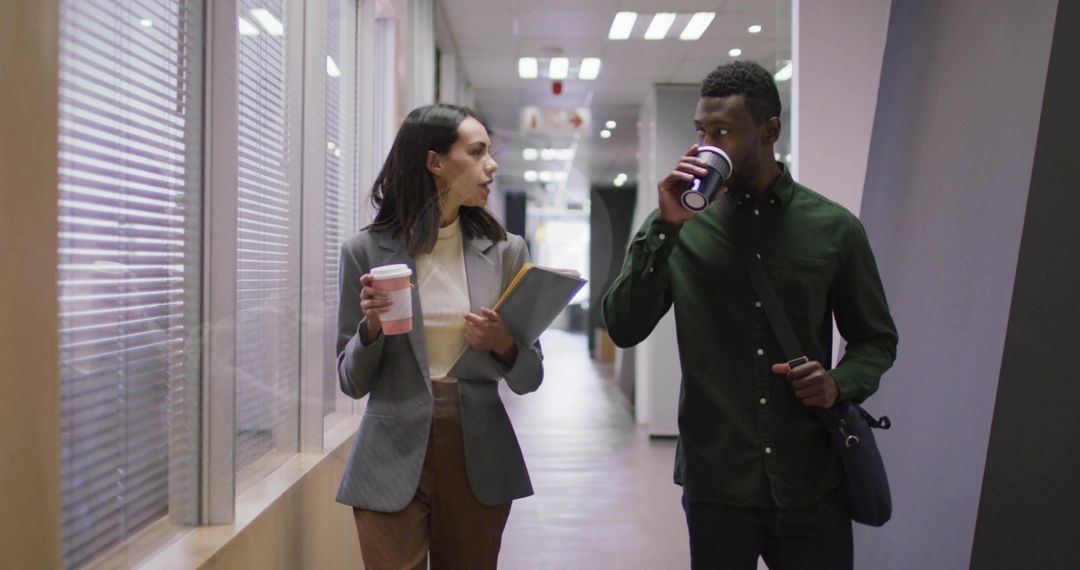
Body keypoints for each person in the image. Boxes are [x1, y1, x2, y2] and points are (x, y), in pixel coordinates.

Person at [602, 61, 898, 569]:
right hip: (718, 481)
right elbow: (624, 327)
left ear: (769, 131)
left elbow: (876, 340)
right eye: (701, 131)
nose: (706, 144)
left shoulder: (833, 228)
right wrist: (665, 230)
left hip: (811, 479)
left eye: (722, 131)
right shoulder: (678, 225)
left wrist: (838, 382)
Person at [335, 103, 543, 570]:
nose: (492, 165)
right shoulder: (364, 251)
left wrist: (504, 343)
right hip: (389, 454)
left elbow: (531, 377)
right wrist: (371, 327)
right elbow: (351, 381)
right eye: (477, 152)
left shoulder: (508, 251)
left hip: (479, 452)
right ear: (435, 162)